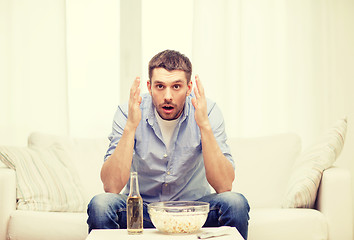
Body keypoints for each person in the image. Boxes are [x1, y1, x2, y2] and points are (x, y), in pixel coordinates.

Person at [87, 50, 250, 239]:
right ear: (149, 87)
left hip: (194, 212)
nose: (168, 96)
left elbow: (224, 186)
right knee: (100, 205)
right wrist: (131, 127)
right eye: (160, 86)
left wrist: (204, 126)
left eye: (176, 86)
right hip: (143, 212)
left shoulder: (208, 110)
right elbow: (111, 186)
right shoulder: (127, 112)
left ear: (189, 88)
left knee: (235, 203)